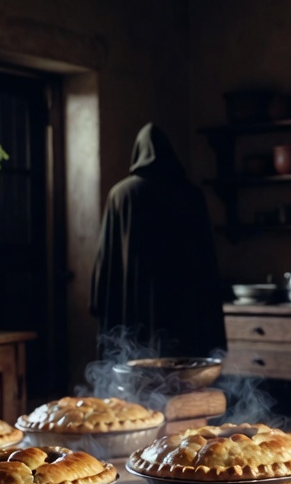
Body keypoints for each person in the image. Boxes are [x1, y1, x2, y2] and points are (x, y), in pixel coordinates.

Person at [90, 123, 226, 359]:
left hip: (133, 306)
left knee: (135, 378)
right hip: (182, 306)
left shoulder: (122, 194)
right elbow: (205, 259)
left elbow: (106, 260)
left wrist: (99, 299)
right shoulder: (191, 194)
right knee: (182, 374)